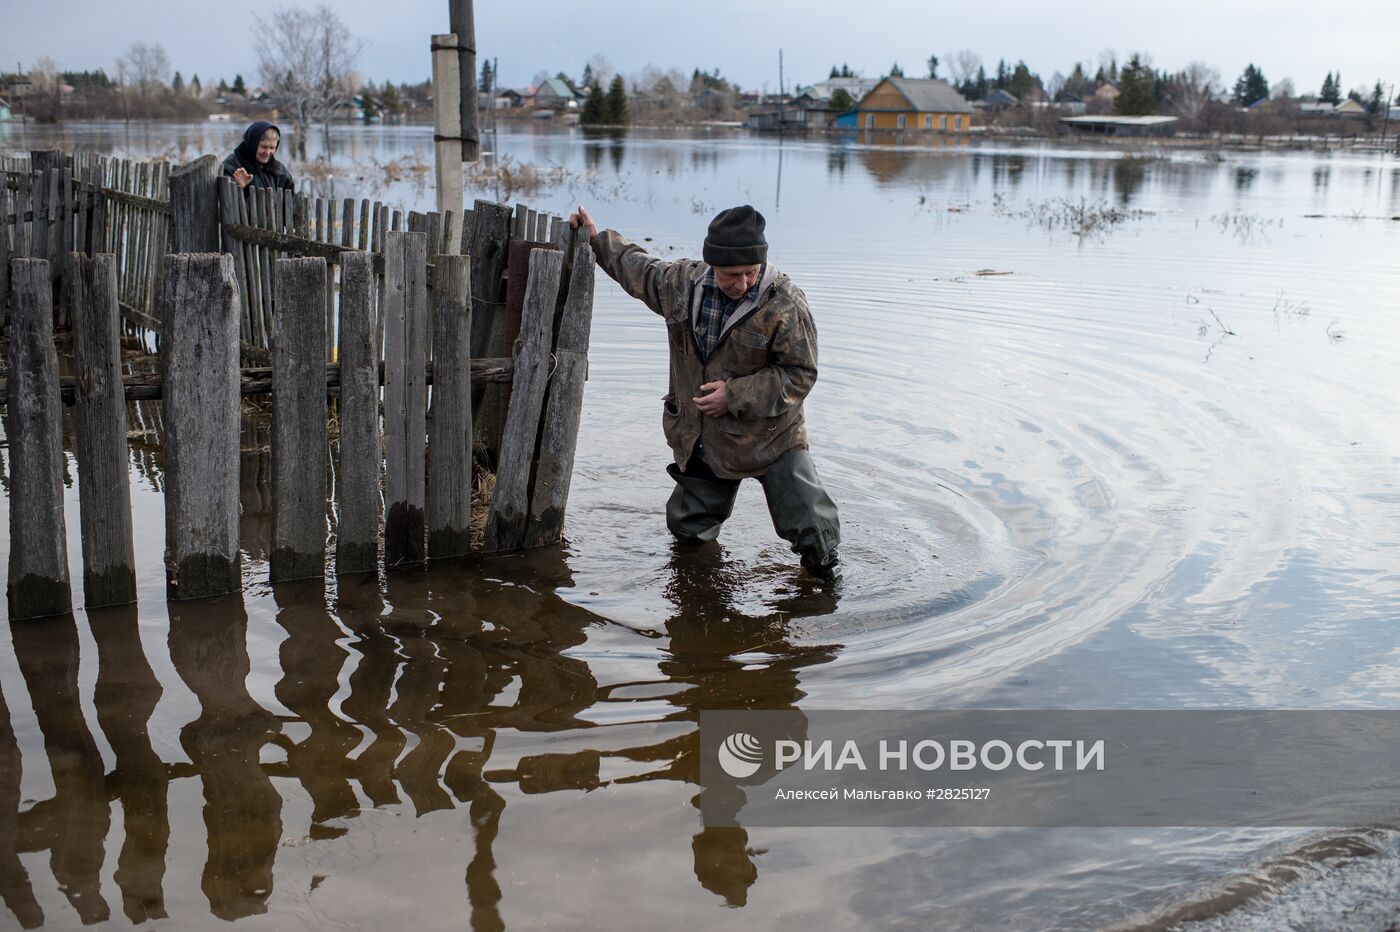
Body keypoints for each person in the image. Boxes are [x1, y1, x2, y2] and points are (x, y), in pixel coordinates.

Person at [568, 203, 841, 582]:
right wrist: (597, 240)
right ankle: (699, 592)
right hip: (703, 435)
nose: (742, 283)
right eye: (732, 274)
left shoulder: (785, 304)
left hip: (773, 437)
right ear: (711, 263)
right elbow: (637, 268)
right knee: (688, 532)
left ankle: (823, 591)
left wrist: (734, 394)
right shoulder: (680, 285)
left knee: (815, 533)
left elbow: (800, 374)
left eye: (751, 272)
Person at [221, 121, 295, 192]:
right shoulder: (231, 167)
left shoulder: (280, 172)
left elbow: (292, 201)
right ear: (252, 143)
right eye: (264, 147)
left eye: (272, 148)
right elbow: (225, 200)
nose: (268, 152)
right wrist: (240, 187)